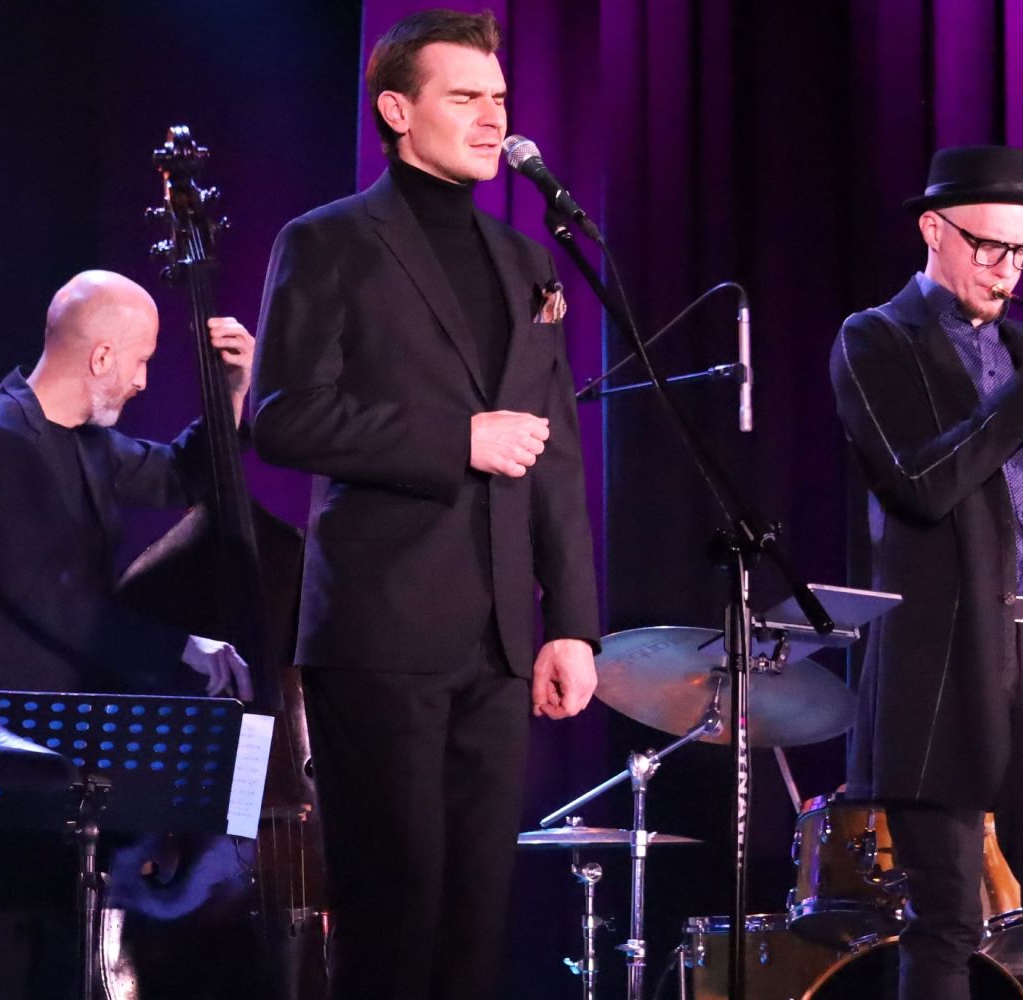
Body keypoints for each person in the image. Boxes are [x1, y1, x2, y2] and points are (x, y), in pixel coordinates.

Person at [251, 10, 600, 999]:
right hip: (382, 626)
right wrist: (456, 440)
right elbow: (282, 416)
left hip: (499, 641)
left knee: (474, 926)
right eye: (465, 97)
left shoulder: (526, 261)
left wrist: (573, 624)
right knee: (393, 914)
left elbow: (555, 452)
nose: (493, 119)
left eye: (499, 99)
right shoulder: (328, 241)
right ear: (397, 112)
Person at [829, 145, 1023, 1000]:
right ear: (933, 230)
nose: (1008, 271)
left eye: (1022, 252)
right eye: (990, 247)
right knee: (948, 918)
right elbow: (922, 485)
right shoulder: (875, 338)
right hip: (944, 656)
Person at [0, 269, 254, 697]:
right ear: (102, 358)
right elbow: (50, 601)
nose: (142, 381)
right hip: (7, 712)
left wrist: (231, 393)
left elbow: (179, 475)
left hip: (73, 700)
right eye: (141, 360)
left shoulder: (83, 437)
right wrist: (180, 647)